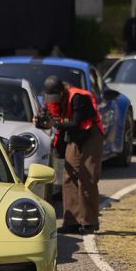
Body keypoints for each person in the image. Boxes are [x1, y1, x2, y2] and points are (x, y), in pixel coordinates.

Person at [46, 78, 105, 234]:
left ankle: (89, 222)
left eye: (55, 97)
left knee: (87, 176)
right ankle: (71, 221)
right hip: (75, 136)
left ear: (61, 92)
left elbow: (75, 122)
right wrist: (42, 123)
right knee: (69, 176)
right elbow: (57, 120)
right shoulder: (55, 101)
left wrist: (55, 124)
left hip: (90, 133)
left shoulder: (78, 98)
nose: (53, 101)